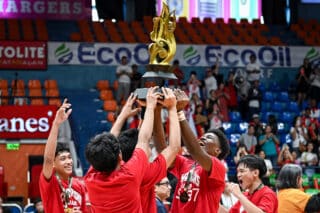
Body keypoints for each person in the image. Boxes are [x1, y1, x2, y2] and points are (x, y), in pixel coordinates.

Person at [84, 87, 176, 212]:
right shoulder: (131, 174)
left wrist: (123, 116)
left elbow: (139, 140)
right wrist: (151, 107)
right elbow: (144, 140)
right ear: (119, 156)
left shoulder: (90, 178)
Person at [155, 89, 230, 212]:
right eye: (203, 136)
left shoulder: (218, 167)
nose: (203, 138)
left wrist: (179, 111)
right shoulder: (186, 163)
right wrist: (157, 110)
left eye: (209, 137)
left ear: (217, 150)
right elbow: (163, 151)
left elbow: (194, 150)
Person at [110, 88, 180, 213]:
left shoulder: (107, 171)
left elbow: (110, 144)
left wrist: (123, 116)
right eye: (149, 146)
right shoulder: (144, 176)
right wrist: (172, 108)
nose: (150, 148)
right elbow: (174, 147)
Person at [39, 99, 87, 213]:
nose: (69, 161)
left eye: (69, 157)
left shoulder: (79, 185)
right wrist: (56, 124)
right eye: (63, 159)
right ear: (54, 164)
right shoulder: (50, 182)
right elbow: (48, 159)